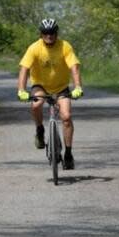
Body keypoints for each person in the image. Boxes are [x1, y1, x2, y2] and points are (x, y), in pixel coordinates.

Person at [17, 18, 83, 170]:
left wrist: (78, 86)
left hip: (61, 87)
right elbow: (24, 70)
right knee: (36, 104)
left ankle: (68, 154)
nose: (49, 36)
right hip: (41, 86)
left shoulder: (65, 46)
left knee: (66, 117)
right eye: (46, 33)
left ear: (56, 33)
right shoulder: (34, 48)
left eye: (52, 33)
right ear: (41, 34)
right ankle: (40, 130)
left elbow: (74, 67)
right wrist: (21, 90)